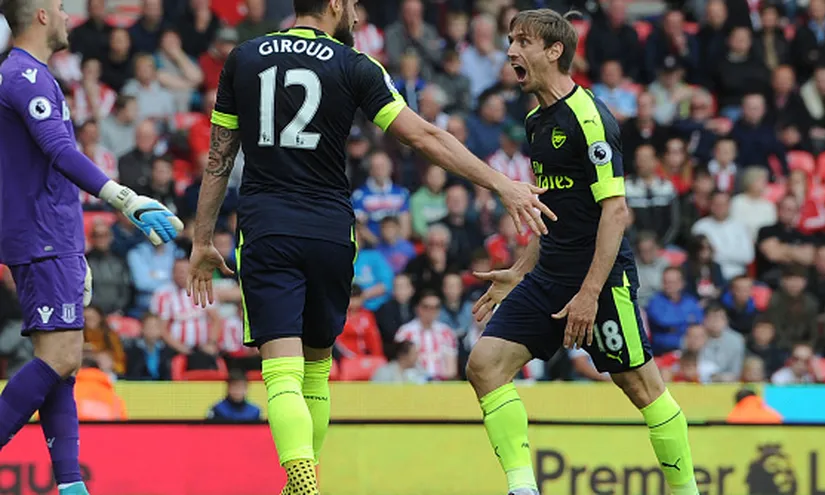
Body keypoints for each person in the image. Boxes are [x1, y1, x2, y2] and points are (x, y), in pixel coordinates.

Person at [185, 1, 555, 493]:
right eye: (354, 6)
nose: (358, 17)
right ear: (335, 4)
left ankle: (298, 470)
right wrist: (501, 184)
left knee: (281, 372)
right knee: (317, 367)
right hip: (331, 231)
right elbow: (422, 136)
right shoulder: (355, 63)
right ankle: (305, 478)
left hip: (268, 227)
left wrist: (203, 239)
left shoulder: (244, 57)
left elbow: (218, 156)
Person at [467, 10, 699, 495]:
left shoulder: (589, 117)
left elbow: (615, 212)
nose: (511, 51)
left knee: (641, 388)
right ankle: (522, 489)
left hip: (602, 279)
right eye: (510, 41)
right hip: (550, 275)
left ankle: (685, 491)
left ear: (554, 51)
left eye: (523, 42)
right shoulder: (534, 121)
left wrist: (591, 293)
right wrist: (518, 270)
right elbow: (553, 210)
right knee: (484, 365)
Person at [0, 1, 183, 493]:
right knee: (60, 358)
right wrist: (126, 198)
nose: (65, 16)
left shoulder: (27, 74)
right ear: (39, 15)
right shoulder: (26, 76)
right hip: (43, 235)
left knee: (63, 363)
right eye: (59, 7)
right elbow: (60, 152)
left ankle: (70, 484)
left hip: (52, 233)